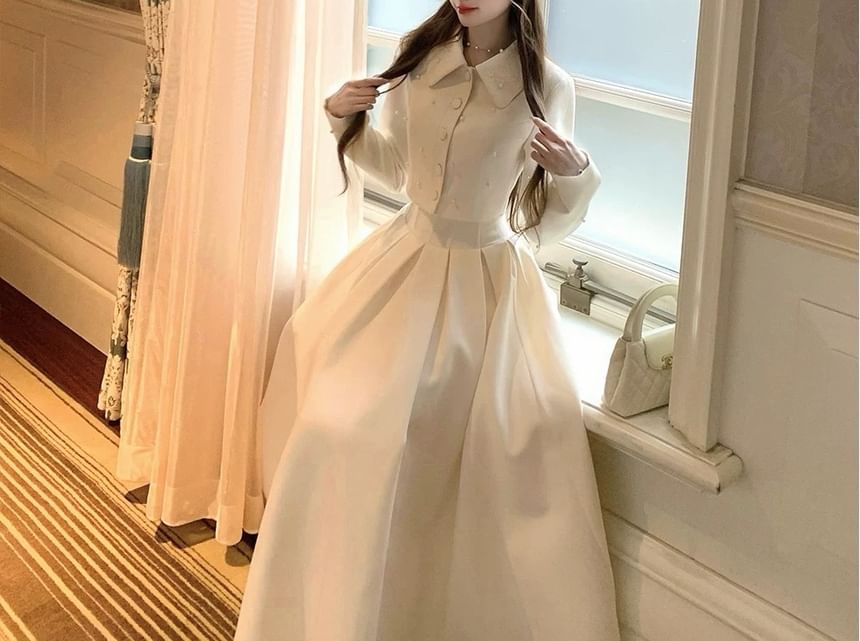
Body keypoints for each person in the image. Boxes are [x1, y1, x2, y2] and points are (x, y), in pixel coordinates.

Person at [234, 1, 621, 639]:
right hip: (402, 261)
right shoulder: (420, 59)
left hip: (485, 288)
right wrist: (341, 116)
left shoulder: (548, 85)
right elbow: (399, 169)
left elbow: (545, 222)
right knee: (334, 418)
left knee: (434, 448)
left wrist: (576, 175)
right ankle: (328, 605)